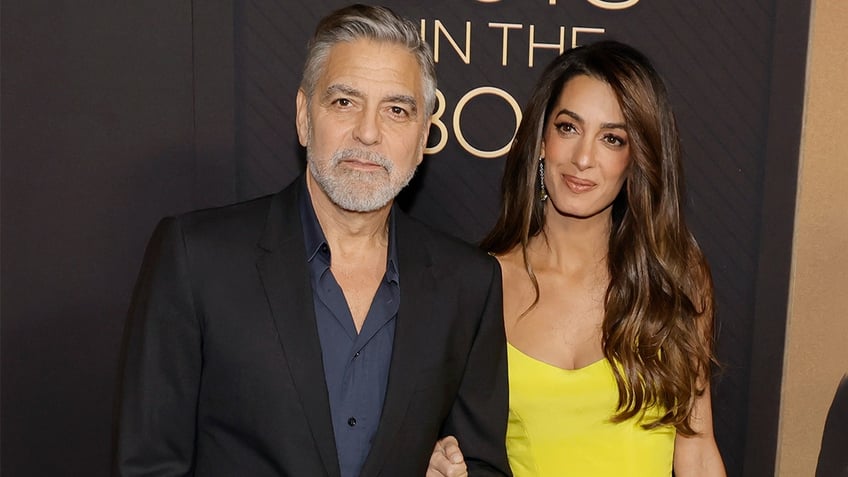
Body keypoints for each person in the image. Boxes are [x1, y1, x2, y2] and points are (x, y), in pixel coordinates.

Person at [115, 4, 510, 476]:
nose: (368, 133)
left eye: (397, 110)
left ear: (424, 134)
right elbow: (149, 466)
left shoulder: (469, 284)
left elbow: (482, 463)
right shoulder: (197, 258)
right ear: (305, 116)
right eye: (344, 102)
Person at [427, 40, 726, 476]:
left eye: (612, 138)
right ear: (542, 139)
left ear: (636, 157)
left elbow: (697, 455)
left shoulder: (674, 279)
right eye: (569, 127)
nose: (583, 158)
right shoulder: (482, 284)